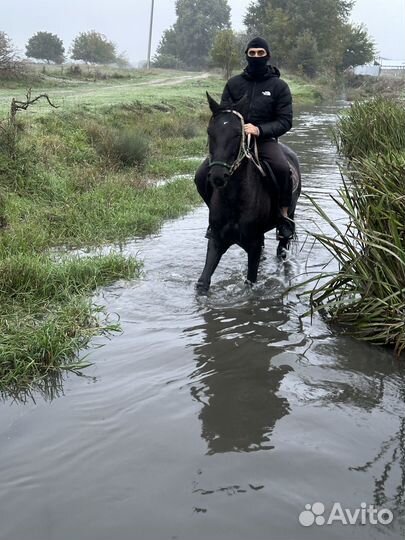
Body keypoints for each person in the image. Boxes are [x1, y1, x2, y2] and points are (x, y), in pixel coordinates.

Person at [195, 36, 295, 240]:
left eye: (260, 53)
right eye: (252, 53)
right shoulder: (234, 84)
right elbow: (223, 113)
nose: (256, 56)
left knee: (283, 169)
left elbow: (285, 121)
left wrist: (259, 130)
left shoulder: (279, 87)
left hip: (264, 140)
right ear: (247, 56)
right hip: (234, 142)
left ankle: (284, 216)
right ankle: (215, 218)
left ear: (267, 55)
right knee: (201, 175)